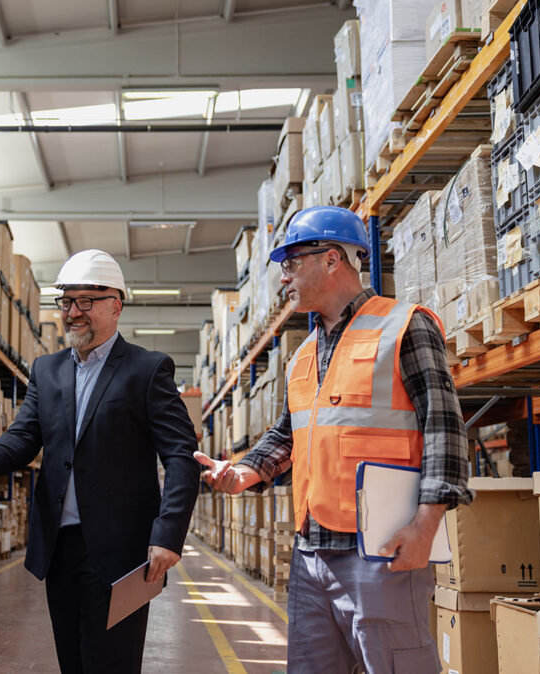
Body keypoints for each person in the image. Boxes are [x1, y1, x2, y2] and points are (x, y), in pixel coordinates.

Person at [197, 206, 473, 673]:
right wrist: (244, 472)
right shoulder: (305, 353)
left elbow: (444, 429)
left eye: (291, 263)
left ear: (331, 260)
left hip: (380, 551)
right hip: (311, 554)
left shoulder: (404, 325)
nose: (283, 278)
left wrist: (425, 527)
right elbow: (288, 435)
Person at [0, 249, 200, 674]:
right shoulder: (47, 370)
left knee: (112, 665)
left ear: (116, 305)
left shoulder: (147, 370)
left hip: (122, 551)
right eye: (67, 302)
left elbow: (181, 455)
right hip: (60, 547)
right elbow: (24, 438)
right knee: (73, 661)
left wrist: (168, 533)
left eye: (86, 301)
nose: (73, 312)